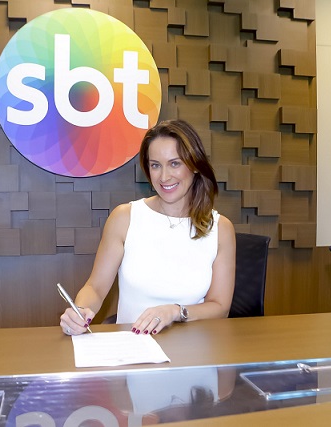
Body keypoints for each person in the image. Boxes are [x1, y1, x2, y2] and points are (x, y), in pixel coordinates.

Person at [60, 119, 236, 336]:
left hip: (194, 348)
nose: (164, 176)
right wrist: (80, 310)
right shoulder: (124, 217)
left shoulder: (220, 228)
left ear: (194, 165)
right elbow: (95, 288)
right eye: (155, 165)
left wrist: (175, 311)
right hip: (132, 347)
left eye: (175, 163)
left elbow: (220, 307)